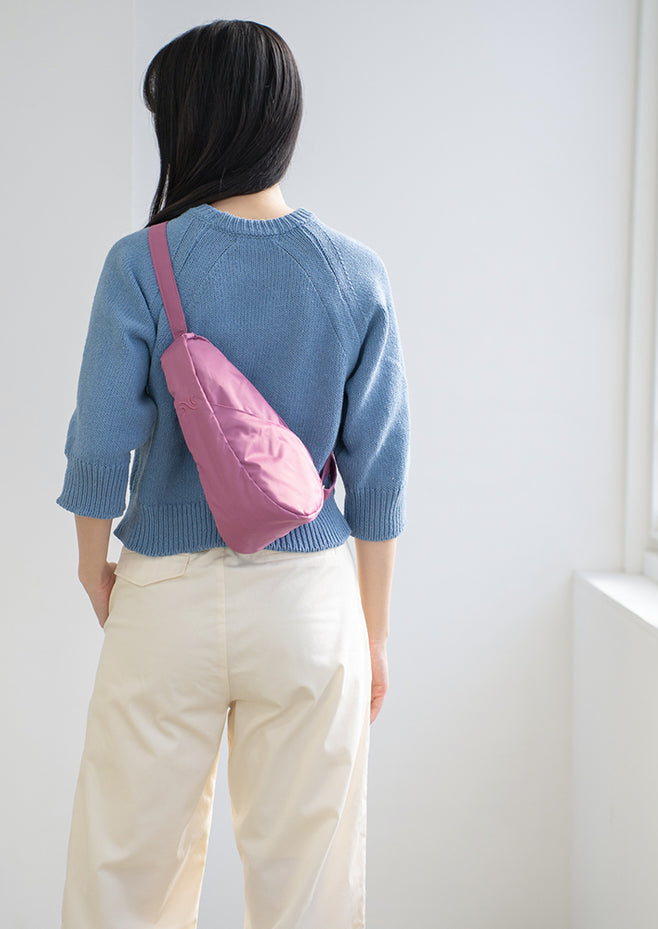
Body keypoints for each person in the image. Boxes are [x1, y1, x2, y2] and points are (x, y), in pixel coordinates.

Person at [55, 18, 410, 929]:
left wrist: (94, 567)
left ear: (191, 124)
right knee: (310, 893)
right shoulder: (356, 274)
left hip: (163, 599)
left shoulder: (141, 263)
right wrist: (373, 632)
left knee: (125, 878)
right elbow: (378, 476)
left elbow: (100, 441)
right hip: (309, 603)